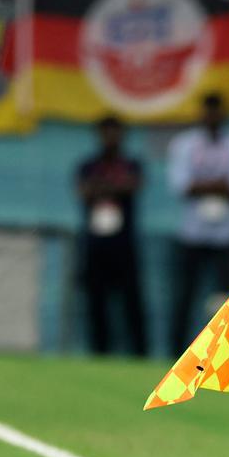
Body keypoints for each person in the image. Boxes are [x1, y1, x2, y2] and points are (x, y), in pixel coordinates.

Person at [167, 93, 229, 357]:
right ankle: (177, 352)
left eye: (216, 112)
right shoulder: (184, 145)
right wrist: (219, 183)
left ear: (223, 114)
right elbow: (181, 185)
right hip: (192, 233)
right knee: (185, 297)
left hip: (227, 235)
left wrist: (203, 184)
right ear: (202, 114)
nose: (212, 118)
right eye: (208, 112)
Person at [74, 116, 148, 357]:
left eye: (115, 133)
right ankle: (99, 352)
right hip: (96, 245)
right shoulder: (87, 165)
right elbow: (84, 192)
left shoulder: (131, 164)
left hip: (124, 244)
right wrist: (113, 187)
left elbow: (132, 186)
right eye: (106, 133)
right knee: (96, 302)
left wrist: (102, 187)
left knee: (131, 303)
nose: (110, 138)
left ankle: (139, 353)